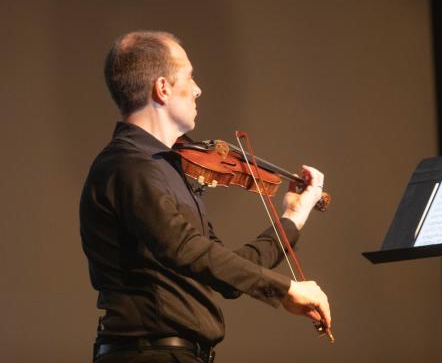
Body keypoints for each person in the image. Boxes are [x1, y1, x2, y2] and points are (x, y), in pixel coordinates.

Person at [80, 31, 331, 363]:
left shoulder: (168, 169)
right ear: (163, 88)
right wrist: (285, 289)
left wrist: (293, 217)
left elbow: (224, 271)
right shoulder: (127, 165)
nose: (198, 89)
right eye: (189, 76)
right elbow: (187, 249)